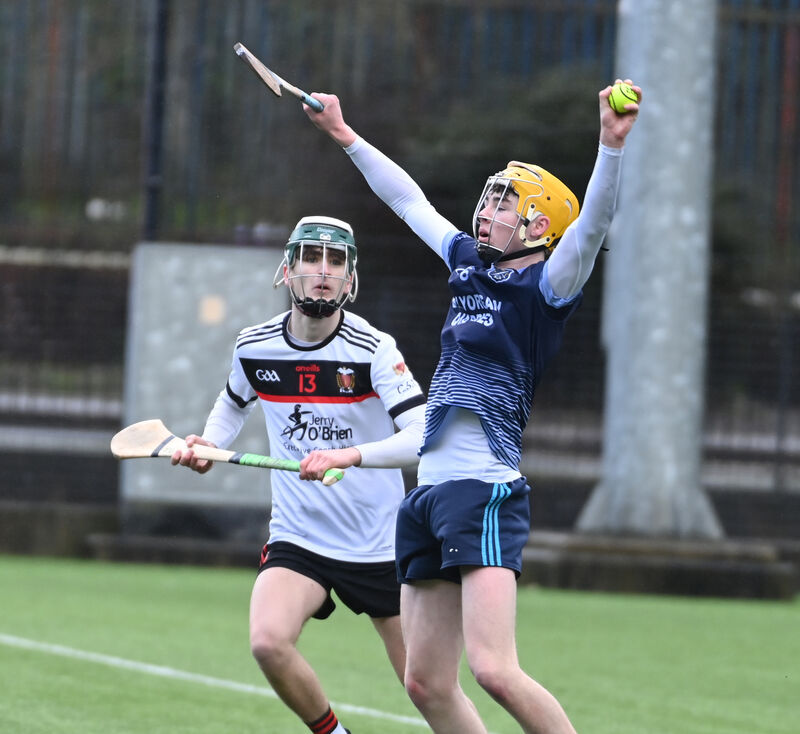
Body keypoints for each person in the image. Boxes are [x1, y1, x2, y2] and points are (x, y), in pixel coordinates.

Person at [302, 80, 641, 733]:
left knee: (494, 669)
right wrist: (347, 136)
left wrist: (611, 145)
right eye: (488, 200)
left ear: (539, 226)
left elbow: (594, 225)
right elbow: (408, 200)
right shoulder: (465, 263)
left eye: (504, 206)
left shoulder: (549, 285)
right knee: (427, 681)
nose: (486, 213)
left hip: (484, 490)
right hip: (428, 492)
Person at [171, 215, 426, 734]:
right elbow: (232, 404)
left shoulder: (373, 350)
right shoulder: (255, 345)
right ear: (288, 269)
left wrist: (348, 456)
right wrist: (208, 445)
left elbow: (423, 439)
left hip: (380, 545)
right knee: (267, 641)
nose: (323, 271)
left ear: (351, 278)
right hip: (300, 536)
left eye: (336, 261)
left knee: (426, 685)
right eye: (311, 257)